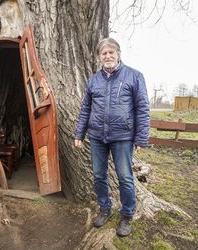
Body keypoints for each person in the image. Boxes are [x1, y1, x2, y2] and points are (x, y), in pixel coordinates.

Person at [74, 37, 150, 237]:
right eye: (104, 53)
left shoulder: (134, 76)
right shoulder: (93, 80)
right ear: (99, 57)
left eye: (111, 52)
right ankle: (105, 208)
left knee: (125, 177)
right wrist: (79, 134)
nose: (108, 56)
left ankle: (126, 216)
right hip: (97, 136)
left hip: (123, 136)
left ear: (118, 54)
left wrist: (141, 138)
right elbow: (85, 109)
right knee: (99, 175)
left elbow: (142, 109)